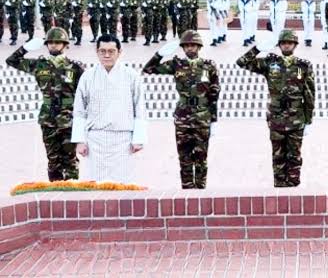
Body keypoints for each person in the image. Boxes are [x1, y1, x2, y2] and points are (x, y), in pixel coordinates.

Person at [236, 30, 315, 187]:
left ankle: (293, 188)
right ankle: (279, 190)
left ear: (295, 45)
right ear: (279, 45)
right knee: (278, 156)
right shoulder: (270, 63)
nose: (287, 45)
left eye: (290, 43)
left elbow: (309, 94)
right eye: (284, 43)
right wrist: (257, 49)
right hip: (276, 118)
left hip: (296, 118)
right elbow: (241, 62)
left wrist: (308, 120)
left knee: (294, 156)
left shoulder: (303, 65)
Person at [142, 30, 220, 189]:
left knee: (201, 157)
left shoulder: (208, 66)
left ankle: (200, 191)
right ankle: (187, 192)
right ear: (183, 48)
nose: (190, 48)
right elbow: (148, 69)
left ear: (199, 47)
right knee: (184, 157)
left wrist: (214, 119)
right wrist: (160, 54)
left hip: (202, 116)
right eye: (187, 46)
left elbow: (214, 93)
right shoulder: (176, 64)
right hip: (183, 117)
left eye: (193, 46)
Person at [6, 28, 85, 180]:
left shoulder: (75, 67)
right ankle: (54, 193)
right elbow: (11, 61)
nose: (54, 45)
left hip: (69, 119)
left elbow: (85, 94)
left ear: (65, 45)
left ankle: (72, 194)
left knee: (69, 159)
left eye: (58, 42)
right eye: (50, 42)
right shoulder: (39, 65)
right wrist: (25, 48)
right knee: (53, 159)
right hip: (48, 118)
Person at [71, 34, 147, 183]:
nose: (106, 55)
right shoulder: (87, 76)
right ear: (97, 52)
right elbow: (79, 110)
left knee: (124, 184)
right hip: (95, 139)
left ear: (120, 51)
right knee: (95, 184)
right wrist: (80, 140)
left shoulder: (131, 76)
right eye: (102, 51)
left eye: (111, 51)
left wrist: (138, 139)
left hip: (123, 139)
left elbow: (140, 108)